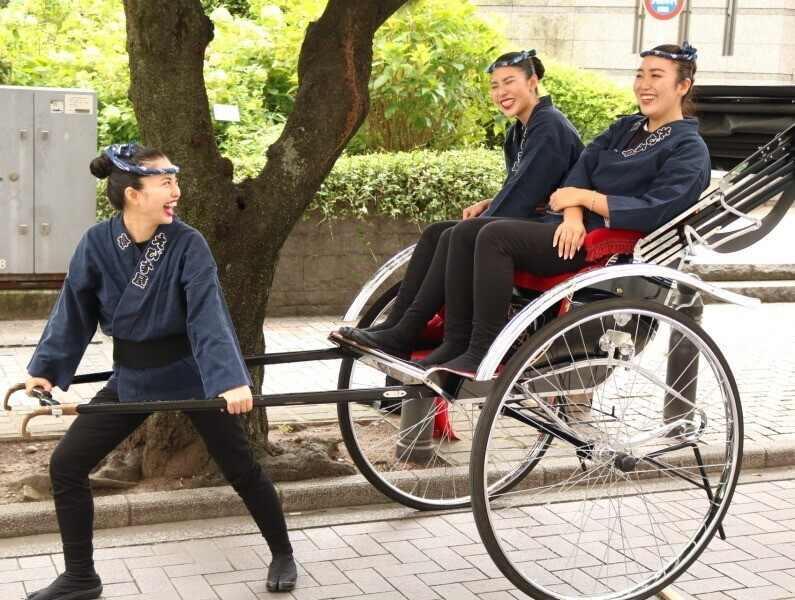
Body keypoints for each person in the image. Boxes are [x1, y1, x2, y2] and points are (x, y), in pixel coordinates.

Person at [23, 144, 297, 600]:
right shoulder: (96, 243)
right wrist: (46, 370)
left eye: (175, 182)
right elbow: (74, 309)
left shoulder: (188, 242)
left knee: (241, 467)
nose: (177, 192)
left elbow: (207, 314)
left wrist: (229, 380)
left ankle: (283, 551)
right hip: (131, 378)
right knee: (65, 465)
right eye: (166, 183)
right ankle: (80, 576)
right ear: (133, 193)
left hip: (191, 374)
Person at [342, 42, 711, 375]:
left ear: (683, 86)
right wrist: (572, 211)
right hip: (569, 227)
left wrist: (585, 201)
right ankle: (427, 335)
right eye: (640, 75)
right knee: (458, 229)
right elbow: (578, 173)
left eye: (656, 76)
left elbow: (657, 209)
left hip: (604, 244)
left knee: (491, 235)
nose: (644, 84)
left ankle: (479, 349)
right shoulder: (625, 128)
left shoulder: (689, 149)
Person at [353, 49, 583, 338]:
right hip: (530, 218)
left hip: (552, 228)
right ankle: (396, 322)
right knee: (436, 231)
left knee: (458, 234)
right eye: (495, 86)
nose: (501, 92)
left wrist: (484, 219)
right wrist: (490, 203)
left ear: (532, 81)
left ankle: (411, 327)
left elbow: (525, 192)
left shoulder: (549, 124)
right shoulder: (519, 131)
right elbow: (523, 184)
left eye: (509, 82)